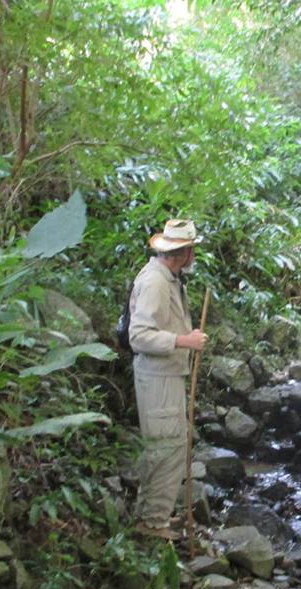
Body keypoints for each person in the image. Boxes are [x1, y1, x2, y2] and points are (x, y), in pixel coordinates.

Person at [128, 218, 207, 540]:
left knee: (167, 444)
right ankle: (153, 522)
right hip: (158, 376)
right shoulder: (156, 283)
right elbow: (139, 335)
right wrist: (183, 341)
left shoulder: (169, 278)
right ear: (184, 252)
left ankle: (153, 512)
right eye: (192, 250)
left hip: (166, 374)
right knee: (167, 447)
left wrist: (185, 337)